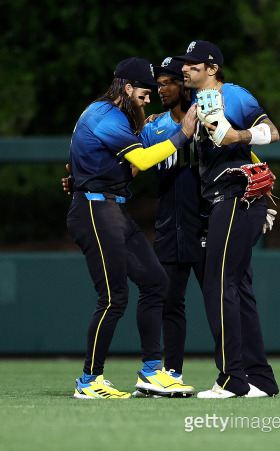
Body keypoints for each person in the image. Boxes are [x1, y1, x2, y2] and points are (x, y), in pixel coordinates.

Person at [67, 57, 198, 399]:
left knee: (156, 282)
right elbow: (140, 160)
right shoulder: (104, 115)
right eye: (144, 92)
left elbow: (129, 166)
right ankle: (89, 381)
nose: (148, 98)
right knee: (113, 297)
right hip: (95, 209)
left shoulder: (118, 118)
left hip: (112, 209)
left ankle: (152, 371)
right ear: (126, 88)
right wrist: (183, 134)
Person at [174, 40, 280, 398]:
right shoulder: (195, 103)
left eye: (193, 64)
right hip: (227, 200)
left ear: (212, 68)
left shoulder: (233, 94)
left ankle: (232, 379)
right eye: (184, 64)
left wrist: (239, 135)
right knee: (238, 288)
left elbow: (272, 132)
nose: (185, 68)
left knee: (218, 285)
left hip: (237, 197)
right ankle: (259, 380)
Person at [134, 56, 207, 394]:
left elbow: (243, 152)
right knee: (169, 303)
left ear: (185, 83)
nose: (161, 89)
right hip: (168, 227)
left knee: (221, 300)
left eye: (167, 82)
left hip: (207, 225)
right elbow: (131, 168)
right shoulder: (153, 127)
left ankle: (235, 375)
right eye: (158, 84)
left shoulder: (212, 119)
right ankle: (171, 373)